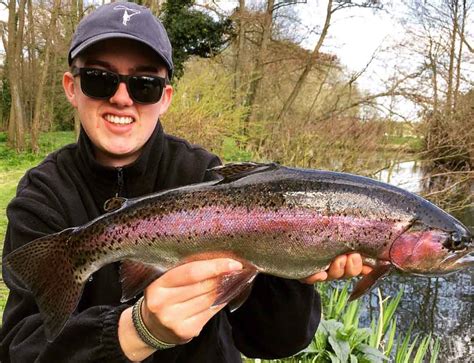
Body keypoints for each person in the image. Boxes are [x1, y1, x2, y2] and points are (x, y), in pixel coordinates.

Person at [0, 2, 371, 362]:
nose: (121, 98)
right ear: (71, 87)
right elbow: (19, 349)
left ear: (165, 98)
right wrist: (136, 331)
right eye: (100, 80)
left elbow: (276, 342)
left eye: (144, 85)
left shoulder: (206, 177)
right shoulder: (42, 195)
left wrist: (291, 264)